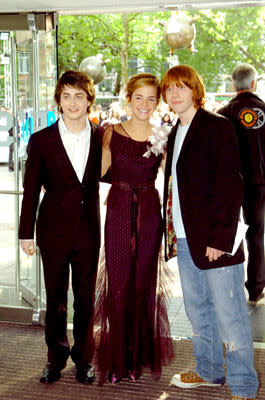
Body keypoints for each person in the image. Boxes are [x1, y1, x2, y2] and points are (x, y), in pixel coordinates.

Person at [161, 64, 259, 400]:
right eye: (169, 89)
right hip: (187, 239)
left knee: (230, 316)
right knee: (197, 310)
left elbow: (231, 186)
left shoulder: (217, 126)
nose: (175, 94)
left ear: (195, 90)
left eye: (182, 87)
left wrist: (219, 239)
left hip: (217, 241)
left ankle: (244, 386)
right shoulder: (174, 131)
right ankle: (209, 371)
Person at [19, 70, 101, 384]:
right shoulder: (41, 140)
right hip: (52, 231)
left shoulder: (101, 136)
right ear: (58, 100)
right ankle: (55, 359)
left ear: (89, 99)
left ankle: (84, 359)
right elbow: (30, 190)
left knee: (85, 299)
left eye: (79, 96)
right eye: (66, 96)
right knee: (55, 299)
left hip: (88, 233)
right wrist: (25, 233)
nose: (72, 102)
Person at [96, 72, 173, 384]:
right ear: (129, 98)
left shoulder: (163, 136)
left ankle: (138, 355)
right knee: (118, 283)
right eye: (139, 97)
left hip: (149, 212)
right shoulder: (110, 133)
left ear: (158, 102)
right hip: (117, 210)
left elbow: (174, 178)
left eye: (151, 98)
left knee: (143, 283)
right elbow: (95, 173)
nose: (145, 104)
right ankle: (118, 359)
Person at [218, 63, 265, 303]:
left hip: (231, 184)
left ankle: (231, 286)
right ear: (254, 84)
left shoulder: (223, 114)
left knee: (231, 234)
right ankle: (256, 288)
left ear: (233, 84)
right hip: (260, 183)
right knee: (256, 235)